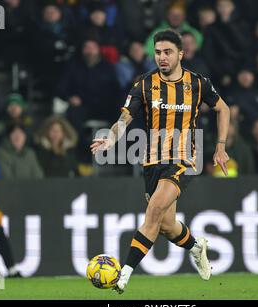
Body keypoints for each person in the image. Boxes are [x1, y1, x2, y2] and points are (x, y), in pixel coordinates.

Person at [90, 29, 230, 293]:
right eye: (157, 53)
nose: (162, 58)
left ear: (180, 54)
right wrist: (110, 138)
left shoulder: (198, 84)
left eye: (167, 52)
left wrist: (220, 146)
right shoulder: (143, 84)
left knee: (153, 210)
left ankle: (124, 274)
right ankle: (197, 246)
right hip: (152, 161)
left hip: (184, 159)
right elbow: (124, 119)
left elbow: (223, 108)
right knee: (165, 226)